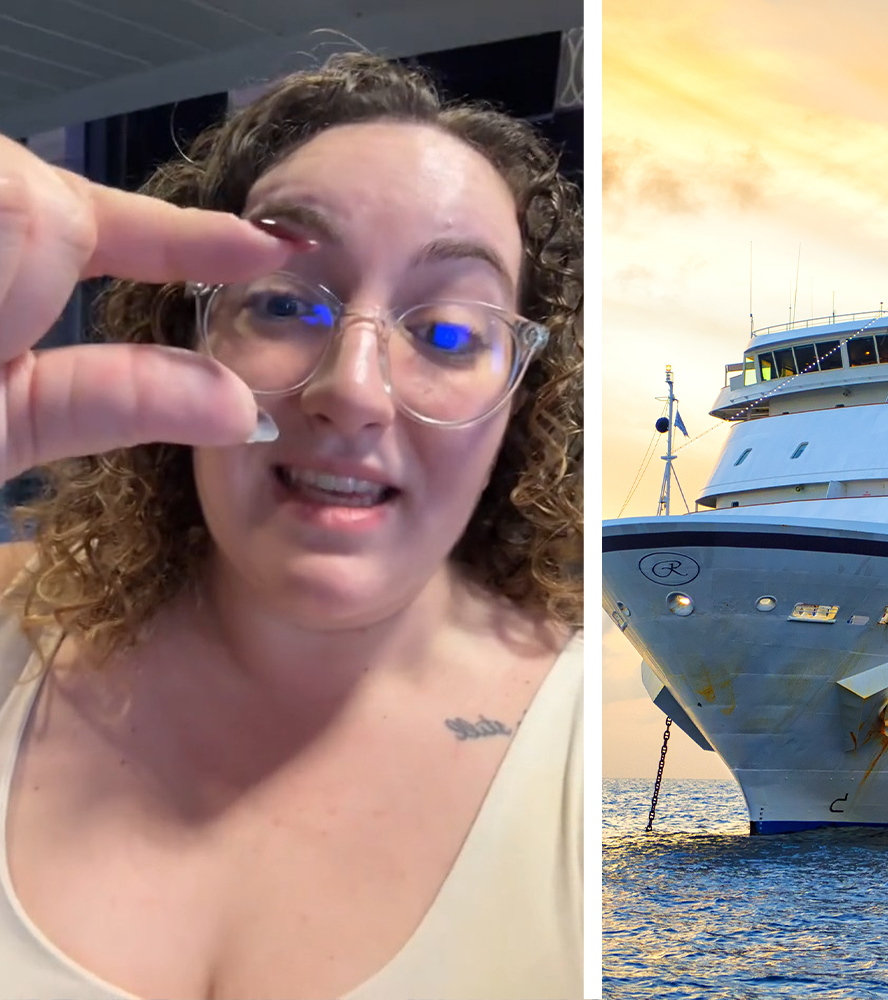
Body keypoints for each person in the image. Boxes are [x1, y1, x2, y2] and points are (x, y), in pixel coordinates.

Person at [0, 53, 582, 999]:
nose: (353, 390)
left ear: (521, 399)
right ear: (187, 329)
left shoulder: (576, 758)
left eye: (445, 333)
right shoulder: (12, 627)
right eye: (280, 303)